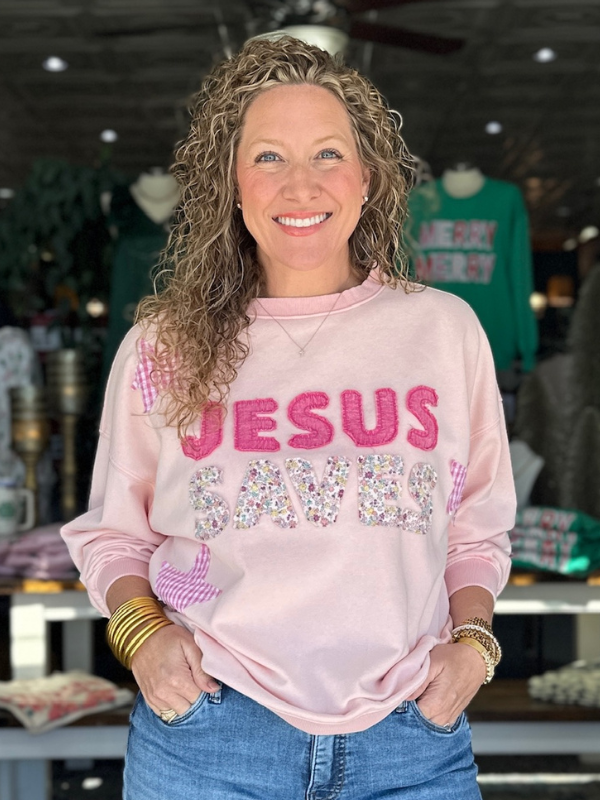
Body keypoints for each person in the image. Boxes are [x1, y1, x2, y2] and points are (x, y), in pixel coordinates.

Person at [62, 35, 515, 800]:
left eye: (328, 154)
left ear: (367, 179)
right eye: (269, 157)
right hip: (209, 738)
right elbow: (115, 535)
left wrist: (474, 646)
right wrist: (144, 641)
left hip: (409, 740)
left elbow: (476, 528)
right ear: (232, 187)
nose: (300, 186)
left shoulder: (442, 331)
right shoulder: (163, 345)